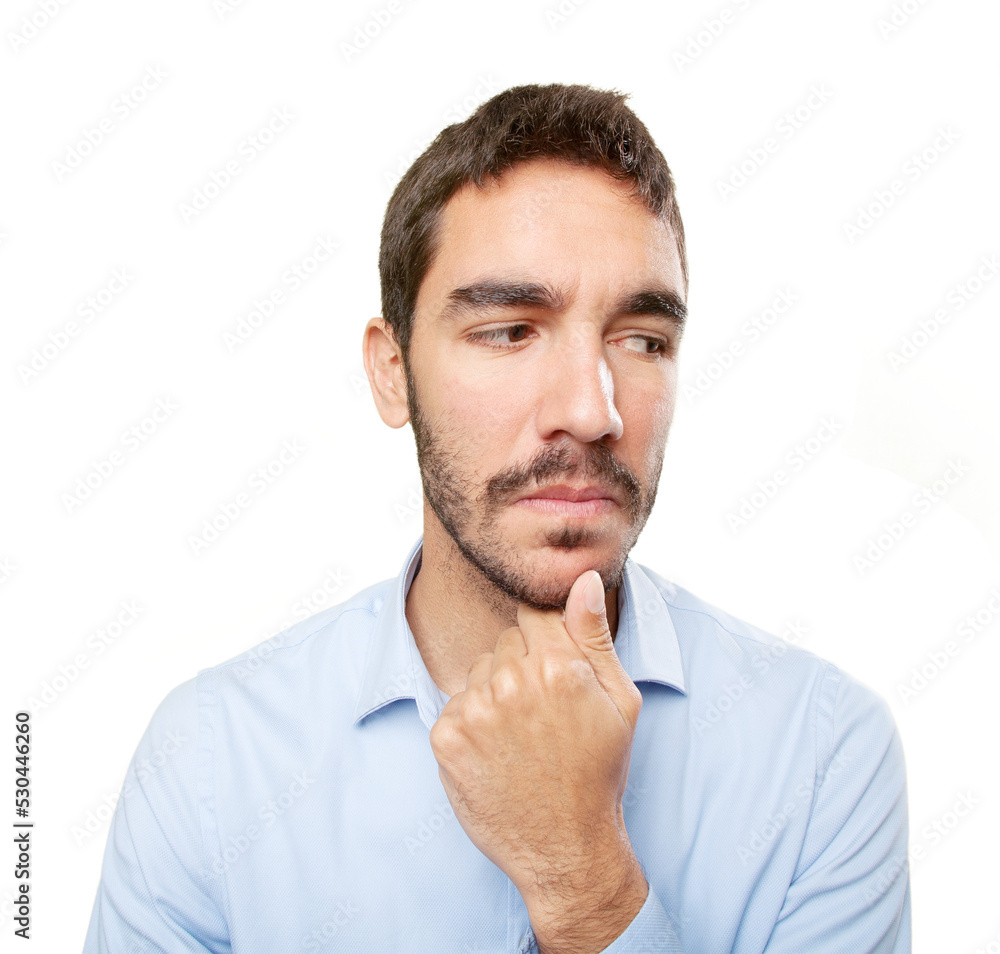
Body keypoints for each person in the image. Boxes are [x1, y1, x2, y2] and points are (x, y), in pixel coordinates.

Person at [83, 83, 911, 953]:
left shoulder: (825, 755)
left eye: (642, 339)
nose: (592, 412)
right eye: (512, 330)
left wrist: (583, 878)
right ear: (393, 373)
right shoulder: (209, 761)